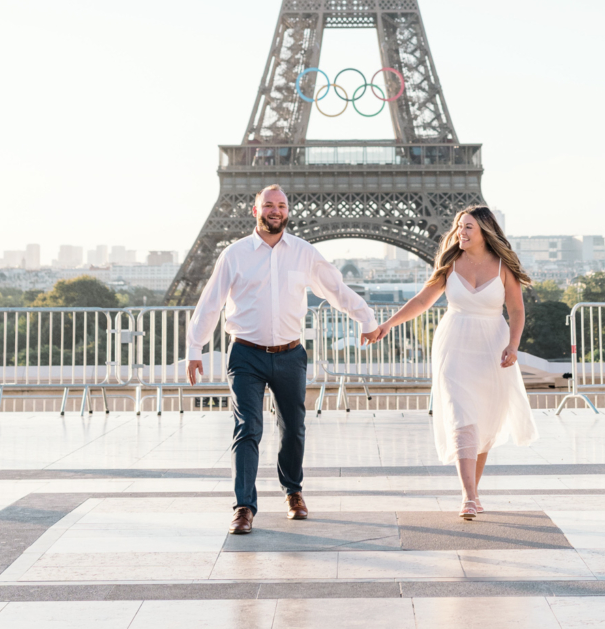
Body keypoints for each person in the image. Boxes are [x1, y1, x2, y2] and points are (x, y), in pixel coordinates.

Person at [186, 183, 380, 535]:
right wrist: (194, 348)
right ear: (255, 210)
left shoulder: (304, 253)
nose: (275, 210)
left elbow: (335, 289)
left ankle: (293, 491)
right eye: (268, 205)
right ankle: (244, 506)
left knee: (293, 428)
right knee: (248, 428)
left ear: (287, 211)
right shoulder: (234, 254)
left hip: (290, 354)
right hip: (245, 352)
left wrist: (366, 319)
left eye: (281, 205)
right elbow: (211, 300)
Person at [362, 205, 535, 518]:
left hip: (492, 347)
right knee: (460, 415)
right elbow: (422, 300)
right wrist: (388, 324)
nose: (461, 232)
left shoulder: (502, 268)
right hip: (454, 344)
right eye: (459, 226)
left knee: (483, 419)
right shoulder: (451, 263)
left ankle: (473, 492)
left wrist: (513, 344)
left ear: (485, 232)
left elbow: (518, 311)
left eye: (468, 227)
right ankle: (468, 496)